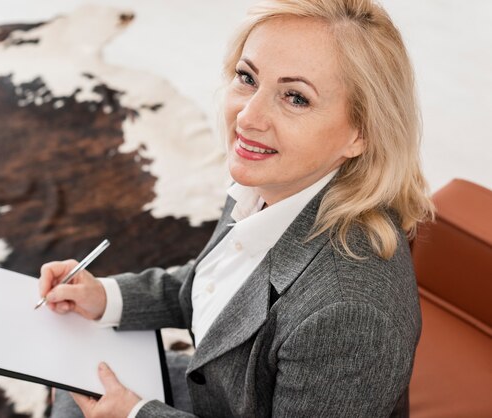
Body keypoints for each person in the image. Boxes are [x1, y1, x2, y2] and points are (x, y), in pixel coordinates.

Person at [39, 0, 434, 416]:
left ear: (361, 133)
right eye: (247, 77)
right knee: (72, 386)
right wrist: (106, 297)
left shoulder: (349, 318)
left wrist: (137, 414)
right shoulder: (271, 183)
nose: (248, 117)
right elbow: (215, 285)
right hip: (221, 387)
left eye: (296, 98)